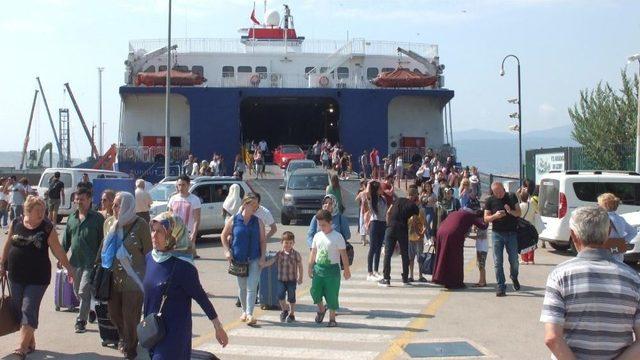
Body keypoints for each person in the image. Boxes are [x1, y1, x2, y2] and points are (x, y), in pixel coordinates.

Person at [541, 206, 640, 360]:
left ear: (573, 235)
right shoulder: (633, 278)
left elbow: (552, 337)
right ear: (608, 234)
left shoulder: (559, 275)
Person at [144, 212, 228, 359]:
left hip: (174, 335)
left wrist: (217, 326)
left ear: (173, 234)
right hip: (152, 332)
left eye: (160, 231)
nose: (154, 235)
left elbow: (201, 297)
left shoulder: (183, 267)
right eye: (153, 230)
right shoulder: (150, 258)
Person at [0, 196, 75, 359]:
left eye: (43, 211)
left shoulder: (47, 228)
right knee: (19, 310)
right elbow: (7, 244)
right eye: (38, 211)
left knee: (28, 308)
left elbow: (58, 250)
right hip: (15, 275)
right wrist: (2, 264)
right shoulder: (16, 223)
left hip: (38, 278)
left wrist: (69, 268)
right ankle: (30, 342)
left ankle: (21, 347)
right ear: (28, 211)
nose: (42, 214)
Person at [102, 192, 152, 359]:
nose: (114, 208)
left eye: (118, 205)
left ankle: (130, 347)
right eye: (114, 205)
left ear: (127, 206)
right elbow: (104, 249)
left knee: (130, 315)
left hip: (134, 279)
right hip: (113, 278)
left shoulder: (141, 225)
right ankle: (125, 337)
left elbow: (149, 253)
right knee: (114, 313)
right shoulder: (110, 223)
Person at [61, 187, 104, 333]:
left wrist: (102, 261)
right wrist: (62, 257)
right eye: (77, 199)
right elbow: (66, 240)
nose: (79, 202)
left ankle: (81, 321)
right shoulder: (71, 218)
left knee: (83, 291)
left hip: (91, 263)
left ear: (90, 200)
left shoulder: (97, 218)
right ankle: (91, 308)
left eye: (82, 199)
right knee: (78, 292)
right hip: (75, 263)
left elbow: (102, 242)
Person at [221, 194, 266, 326]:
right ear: (245, 204)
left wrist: (263, 257)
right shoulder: (234, 219)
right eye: (252, 204)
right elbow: (223, 235)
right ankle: (244, 311)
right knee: (242, 287)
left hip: (254, 258)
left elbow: (263, 241)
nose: (254, 207)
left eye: (255, 205)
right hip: (238, 259)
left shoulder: (258, 221)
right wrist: (226, 251)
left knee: (252, 286)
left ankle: (250, 314)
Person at [308, 209, 351, 327]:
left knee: (332, 294)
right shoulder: (317, 236)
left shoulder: (337, 237)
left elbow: (343, 254)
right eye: (319, 225)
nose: (322, 227)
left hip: (332, 270)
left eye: (324, 225)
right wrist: (310, 266)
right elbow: (313, 252)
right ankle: (321, 309)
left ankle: (332, 319)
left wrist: (347, 269)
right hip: (319, 269)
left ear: (330, 222)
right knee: (315, 292)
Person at [431, 209, 488, 289]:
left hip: (441, 232)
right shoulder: (471, 216)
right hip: (453, 234)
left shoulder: (455, 213)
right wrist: (488, 219)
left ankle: (441, 278)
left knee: (443, 256)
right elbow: (483, 226)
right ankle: (455, 282)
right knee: (456, 259)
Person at [484, 182, 521, 297]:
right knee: (497, 262)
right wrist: (495, 216)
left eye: (500, 192)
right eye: (496, 193)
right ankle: (501, 286)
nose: (499, 194)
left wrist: (510, 211)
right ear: (492, 192)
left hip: (512, 233)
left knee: (514, 260)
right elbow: (486, 218)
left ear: (504, 189)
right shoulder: (489, 201)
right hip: (497, 234)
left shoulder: (511, 196)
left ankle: (514, 276)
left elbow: (519, 213)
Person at [378, 187, 420, 287]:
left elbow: (388, 212)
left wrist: (388, 225)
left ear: (407, 194)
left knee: (387, 254)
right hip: (402, 229)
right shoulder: (413, 206)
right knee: (405, 254)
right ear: (414, 196)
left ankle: (386, 279)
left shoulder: (397, 200)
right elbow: (414, 220)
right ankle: (405, 279)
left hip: (391, 228)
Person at [262, 231, 303, 323]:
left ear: (293, 243)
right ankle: (284, 310)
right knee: (280, 295)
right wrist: (263, 265)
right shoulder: (279, 254)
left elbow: (300, 266)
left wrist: (300, 277)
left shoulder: (296, 254)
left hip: (292, 280)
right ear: (282, 243)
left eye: (290, 243)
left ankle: (292, 313)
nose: (288, 245)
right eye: (286, 243)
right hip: (281, 279)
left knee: (291, 297)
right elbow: (272, 261)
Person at [167, 174, 202, 258]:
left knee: (186, 257)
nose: (181, 187)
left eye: (183, 185)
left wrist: (194, 233)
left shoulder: (194, 199)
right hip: (174, 232)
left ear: (188, 185)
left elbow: (197, 219)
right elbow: (169, 216)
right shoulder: (173, 198)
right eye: (179, 185)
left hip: (187, 232)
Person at [597, 192, 638, 262]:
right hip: (619, 254)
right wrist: (623, 241)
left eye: (598, 203)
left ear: (604, 205)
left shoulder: (601, 218)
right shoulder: (620, 219)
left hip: (604, 254)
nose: (597, 205)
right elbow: (633, 232)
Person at [366, 181, 387, 281]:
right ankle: (369, 272)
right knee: (373, 247)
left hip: (383, 223)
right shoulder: (372, 199)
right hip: (375, 223)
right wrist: (369, 183)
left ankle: (376, 271)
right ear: (375, 189)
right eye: (379, 188)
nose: (381, 189)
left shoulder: (383, 199)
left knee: (379, 248)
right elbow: (367, 193)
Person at [407, 203, 427, 283]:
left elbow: (425, 224)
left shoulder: (421, 211)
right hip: (411, 238)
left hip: (418, 238)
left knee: (418, 258)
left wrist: (423, 233)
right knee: (412, 258)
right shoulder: (408, 212)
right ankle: (412, 275)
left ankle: (419, 275)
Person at [517, 188, 537, 265]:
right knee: (531, 243)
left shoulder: (520, 206)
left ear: (520, 197)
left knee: (523, 243)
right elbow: (536, 213)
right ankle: (531, 259)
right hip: (531, 226)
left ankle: (524, 259)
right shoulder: (531, 205)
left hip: (522, 227)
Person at [355, 180, 369, 245]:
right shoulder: (369, 193)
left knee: (362, 223)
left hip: (362, 209)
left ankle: (363, 240)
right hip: (369, 210)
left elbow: (356, 199)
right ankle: (366, 239)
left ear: (364, 186)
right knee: (367, 224)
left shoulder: (361, 193)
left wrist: (361, 200)